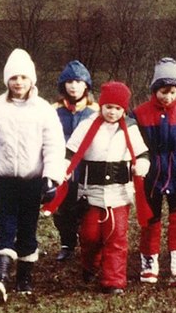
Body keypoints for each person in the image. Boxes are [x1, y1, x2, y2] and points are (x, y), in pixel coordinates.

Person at [0, 49, 67, 304]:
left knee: (27, 231)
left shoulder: (44, 110)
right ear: (6, 80)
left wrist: (51, 178)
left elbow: (54, 146)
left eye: (23, 77)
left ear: (31, 79)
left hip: (34, 182)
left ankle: (24, 279)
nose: (18, 82)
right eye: (13, 77)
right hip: (6, 182)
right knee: (6, 229)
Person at [62, 81, 150, 295]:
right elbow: (71, 151)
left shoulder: (129, 127)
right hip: (91, 191)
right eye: (109, 107)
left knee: (116, 236)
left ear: (124, 110)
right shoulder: (88, 124)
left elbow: (142, 153)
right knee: (90, 235)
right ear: (101, 105)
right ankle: (90, 264)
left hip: (119, 192)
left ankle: (113, 280)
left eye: (118, 108)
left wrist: (142, 166)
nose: (112, 112)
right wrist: (64, 168)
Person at [134, 57, 176, 286]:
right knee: (151, 219)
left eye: (173, 91)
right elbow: (134, 142)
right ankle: (149, 261)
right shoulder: (141, 113)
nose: (168, 97)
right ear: (155, 90)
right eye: (164, 91)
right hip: (152, 171)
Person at [51, 60, 97, 263]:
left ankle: (88, 243)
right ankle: (67, 244)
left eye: (78, 81)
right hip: (63, 167)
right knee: (63, 208)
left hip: (88, 168)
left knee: (87, 208)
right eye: (69, 81)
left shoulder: (95, 112)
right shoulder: (53, 111)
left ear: (86, 85)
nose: (73, 86)